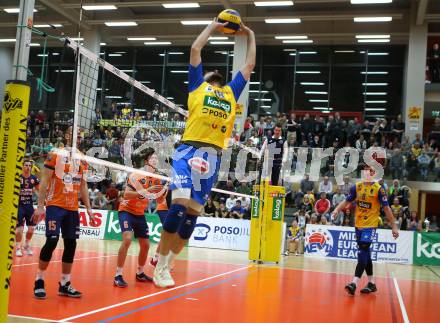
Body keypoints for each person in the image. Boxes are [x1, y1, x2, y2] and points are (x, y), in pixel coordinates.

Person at [153, 19, 256, 288]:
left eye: (218, 78)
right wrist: (213, 26)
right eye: (213, 76)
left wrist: (250, 34)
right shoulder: (198, 87)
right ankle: (160, 265)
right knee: (178, 208)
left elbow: (248, 66)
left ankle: (168, 262)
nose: (216, 78)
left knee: (191, 221)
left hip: (212, 159)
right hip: (189, 150)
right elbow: (196, 49)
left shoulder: (231, 95)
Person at [33, 127, 95, 299]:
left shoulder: (82, 158)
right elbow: (44, 180)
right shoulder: (55, 154)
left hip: (73, 208)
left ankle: (65, 283)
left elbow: (83, 185)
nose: (79, 138)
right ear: (68, 136)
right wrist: (40, 205)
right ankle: (39, 280)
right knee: (52, 240)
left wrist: (89, 208)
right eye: (76, 135)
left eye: (81, 135)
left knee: (71, 244)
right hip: (55, 205)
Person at [331, 166, 399, 296]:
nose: (366, 174)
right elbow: (347, 201)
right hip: (358, 225)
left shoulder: (379, 190)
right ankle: (372, 283)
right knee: (366, 253)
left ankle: (354, 283)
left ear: (373, 174)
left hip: (371, 225)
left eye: (369, 172)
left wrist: (394, 226)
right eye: (365, 172)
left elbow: (387, 209)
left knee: (362, 249)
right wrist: (336, 210)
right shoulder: (357, 187)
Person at [114, 148, 166, 287]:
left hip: (140, 213)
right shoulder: (136, 175)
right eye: (153, 158)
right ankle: (118, 275)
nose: (156, 160)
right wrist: (146, 191)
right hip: (126, 211)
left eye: (157, 158)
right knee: (127, 239)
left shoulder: (157, 178)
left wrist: (163, 192)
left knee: (146, 245)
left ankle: (140, 273)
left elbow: (160, 200)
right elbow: (126, 195)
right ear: (146, 161)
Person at [15, 160, 40, 257]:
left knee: (31, 229)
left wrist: (42, 202)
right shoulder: (17, 177)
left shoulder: (34, 178)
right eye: (26, 165)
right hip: (18, 206)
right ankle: (18, 248)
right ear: (22, 166)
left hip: (29, 206)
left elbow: (39, 191)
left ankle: (26, 245)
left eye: (30, 165)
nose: (28, 167)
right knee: (19, 230)